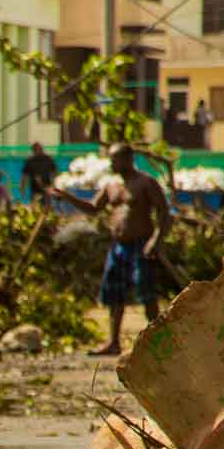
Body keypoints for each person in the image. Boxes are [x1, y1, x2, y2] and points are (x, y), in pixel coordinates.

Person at [51, 143, 171, 358]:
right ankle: (113, 342)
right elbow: (93, 207)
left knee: (146, 293)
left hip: (141, 244)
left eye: (115, 159)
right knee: (114, 293)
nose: (112, 163)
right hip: (119, 246)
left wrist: (155, 241)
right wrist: (67, 196)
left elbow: (164, 213)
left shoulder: (146, 183)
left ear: (128, 159)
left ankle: (157, 342)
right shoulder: (111, 185)